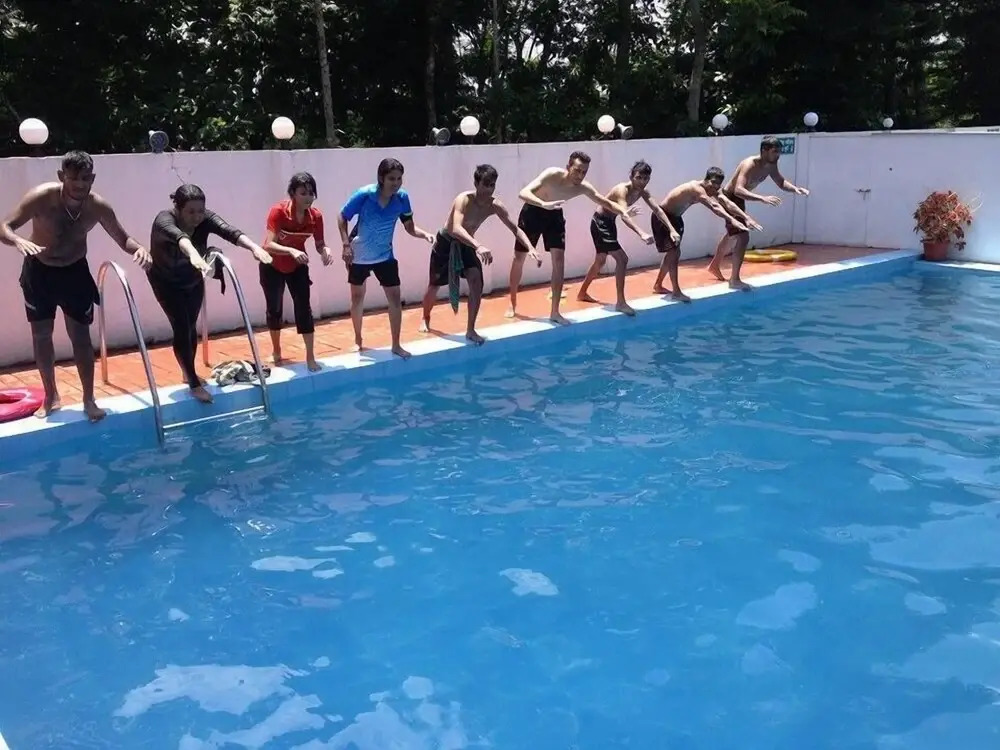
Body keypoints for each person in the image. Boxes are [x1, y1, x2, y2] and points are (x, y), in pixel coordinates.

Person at [0, 150, 152, 421]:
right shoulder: (41, 197)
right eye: (74, 178)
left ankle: (88, 399)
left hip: (75, 273)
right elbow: (5, 226)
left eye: (86, 178)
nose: (80, 184)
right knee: (41, 335)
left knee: (81, 337)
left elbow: (123, 238)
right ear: (62, 176)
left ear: (92, 178)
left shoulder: (98, 207)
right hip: (39, 271)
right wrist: (18, 241)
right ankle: (51, 396)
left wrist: (139, 248)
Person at [147, 184, 272, 404]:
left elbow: (229, 231)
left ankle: (187, 372)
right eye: (190, 212)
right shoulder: (164, 220)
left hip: (193, 277)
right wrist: (194, 254)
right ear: (177, 208)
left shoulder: (204, 218)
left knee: (191, 326)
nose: (197, 217)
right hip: (166, 281)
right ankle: (193, 383)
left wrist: (255, 248)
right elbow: (181, 238)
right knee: (181, 325)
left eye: (200, 211)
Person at [508, 151, 633, 324]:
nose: (580, 176)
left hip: (555, 215)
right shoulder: (552, 174)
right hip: (533, 212)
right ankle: (512, 301)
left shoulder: (583, 187)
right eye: (577, 170)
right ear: (568, 167)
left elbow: (604, 201)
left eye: (584, 172)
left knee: (559, 260)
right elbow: (523, 193)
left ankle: (555, 312)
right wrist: (543, 203)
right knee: (519, 258)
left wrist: (623, 211)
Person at [419, 164, 534, 345]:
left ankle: (470, 330)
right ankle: (425, 317)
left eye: (492, 185)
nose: (489, 189)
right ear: (476, 183)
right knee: (434, 285)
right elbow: (456, 228)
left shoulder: (494, 205)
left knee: (476, 281)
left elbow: (515, 229)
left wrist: (530, 247)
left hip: (467, 244)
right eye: (485, 184)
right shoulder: (464, 199)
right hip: (447, 242)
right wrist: (478, 245)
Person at [337, 158, 434, 359]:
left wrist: (424, 234)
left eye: (399, 178)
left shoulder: (402, 198)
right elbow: (342, 216)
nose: (396, 183)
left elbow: (409, 227)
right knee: (357, 297)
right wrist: (346, 245)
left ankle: (396, 344)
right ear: (381, 178)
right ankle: (358, 340)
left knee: (395, 299)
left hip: (385, 255)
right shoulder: (365, 195)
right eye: (391, 178)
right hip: (359, 254)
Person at [575, 159, 678, 316]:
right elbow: (624, 215)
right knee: (622, 259)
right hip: (600, 223)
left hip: (609, 223)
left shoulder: (643, 192)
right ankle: (621, 303)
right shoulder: (621, 190)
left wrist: (672, 230)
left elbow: (657, 210)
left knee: (600, 261)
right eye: (639, 178)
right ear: (631, 177)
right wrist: (641, 233)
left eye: (645, 178)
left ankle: (582, 293)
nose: (642, 182)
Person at [707, 136, 809, 289]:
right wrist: (762, 198)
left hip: (738, 199)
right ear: (764, 150)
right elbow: (738, 190)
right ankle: (734, 280)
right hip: (730, 198)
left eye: (779, 152)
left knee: (732, 234)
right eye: (775, 152)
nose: (778, 155)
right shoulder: (749, 164)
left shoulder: (771, 164)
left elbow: (780, 181)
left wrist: (795, 189)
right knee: (743, 236)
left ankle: (714, 265)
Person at [652, 167, 761, 302]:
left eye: (718, 185)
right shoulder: (696, 189)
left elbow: (727, 203)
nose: (715, 187)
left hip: (676, 218)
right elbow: (714, 207)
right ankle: (676, 292)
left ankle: (658, 285)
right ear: (706, 180)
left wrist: (746, 217)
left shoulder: (713, 189)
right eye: (713, 183)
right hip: (663, 218)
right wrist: (732, 220)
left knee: (673, 252)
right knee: (674, 253)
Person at [261, 172, 334, 371]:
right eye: (303, 193)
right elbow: (268, 244)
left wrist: (325, 251)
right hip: (272, 264)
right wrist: (291, 250)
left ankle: (310, 357)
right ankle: (276, 351)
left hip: (297, 265)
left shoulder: (315, 216)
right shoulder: (278, 212)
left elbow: (320, 243)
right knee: (274, 308)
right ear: (293, 193)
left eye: (311, 193)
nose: (308, 198)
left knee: (304, 308)